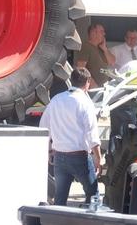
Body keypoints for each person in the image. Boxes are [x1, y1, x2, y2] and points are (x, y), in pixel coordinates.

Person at [38, 67, 100, 207]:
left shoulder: (56, 100)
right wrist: (98, 158)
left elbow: (44, 126)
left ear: (71, 81)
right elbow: (92, 134)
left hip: (60, 157)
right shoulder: (85, 102)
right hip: (79, 157)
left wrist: (48, 150)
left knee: (60, 199)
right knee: (93, 194)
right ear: (88, 82)